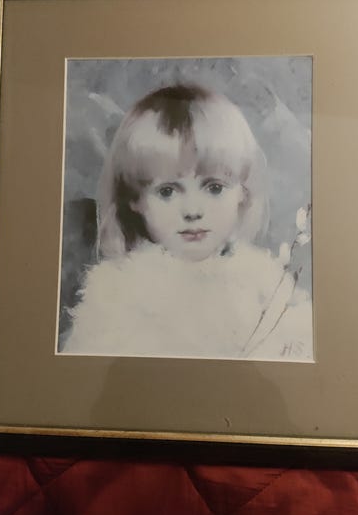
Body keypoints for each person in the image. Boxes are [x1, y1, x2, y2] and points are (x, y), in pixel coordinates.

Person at [62, 84, 313, 360]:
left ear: (242, 193)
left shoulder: (267, 289)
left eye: (214, 188)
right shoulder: (115, 299)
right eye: (167, 191)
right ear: (135, 200)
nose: (193, 211)